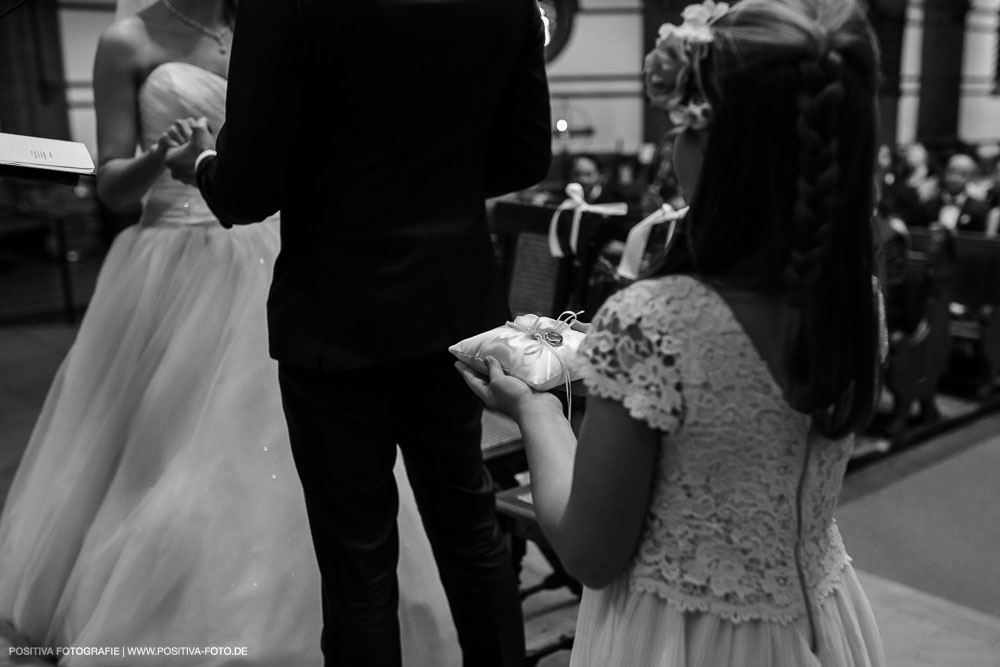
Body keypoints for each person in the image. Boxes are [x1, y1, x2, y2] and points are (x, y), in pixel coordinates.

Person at [0, 1, 459, 665]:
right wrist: (160, 154)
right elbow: (111, 189)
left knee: (308, 451)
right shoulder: (126, 40)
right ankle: (171, 605)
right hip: (173, 263)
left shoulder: (269, 23)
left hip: (275, 253)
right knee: (164, 455)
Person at [459, 0, 887, 665]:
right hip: (818, 617)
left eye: (683, 128)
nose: (670, 145)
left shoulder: (655, 322)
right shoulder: (854, 297)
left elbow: (587, 550)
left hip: (680, 637)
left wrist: (535, 409)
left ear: (720, 148)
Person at [162, 1, 552, 665]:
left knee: (359, 566)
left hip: (334, 311)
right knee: (472, 532)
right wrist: (430, 184)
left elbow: (249, 185)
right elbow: (523, 156)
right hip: (451, 302)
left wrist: (200, 164)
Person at [917, 153, 992, 232]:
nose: (955, 178)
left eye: (963, 173)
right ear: (945, 172)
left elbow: (980, 240)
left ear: (970, 176)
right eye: (952, 171)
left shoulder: (979, 209)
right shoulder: (929, 204)